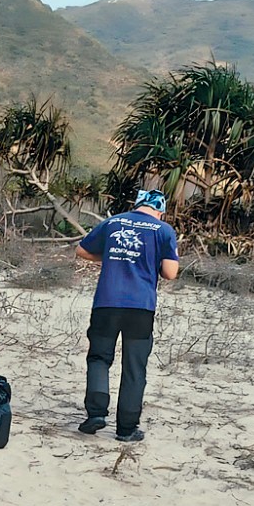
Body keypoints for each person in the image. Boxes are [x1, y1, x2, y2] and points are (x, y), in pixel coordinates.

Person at [75, 188, 179, 442]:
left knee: (99, 357)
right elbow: (170, 272)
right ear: (160, 211)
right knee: (134, 367)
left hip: (106, 303)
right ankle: (126, 428)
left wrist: (112, 259)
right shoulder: (163, 230)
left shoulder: (112, 222)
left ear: (137, 205)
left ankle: (96, 414)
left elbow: (81, 250)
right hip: (140, 306)